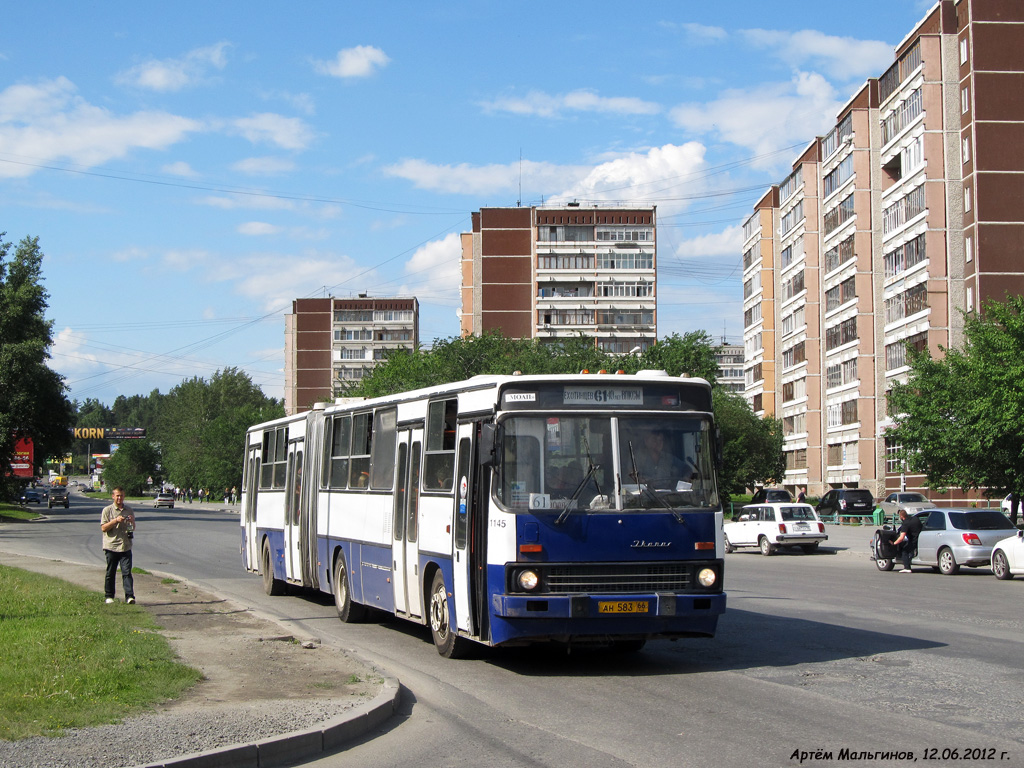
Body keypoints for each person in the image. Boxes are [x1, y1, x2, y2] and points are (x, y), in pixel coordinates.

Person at [100, 486, 137, 604]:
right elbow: (104, 528)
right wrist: (116, 520)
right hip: (111, 546)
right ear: (113, 496)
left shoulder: (129, 510)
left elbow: (133, 528)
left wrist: (130, 521)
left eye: (121, 495)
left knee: (127, 572)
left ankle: (129, 596)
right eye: (117, 496)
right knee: (111, 572)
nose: (119, 498)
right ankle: (109, 596)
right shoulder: (107, 510)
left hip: (125, 546)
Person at [892, 508, 924, 573]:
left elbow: (901, 538)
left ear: (901, 516)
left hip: (913, 540)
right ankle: (911, 557)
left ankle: (907, 567)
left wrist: (894, 543)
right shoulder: (915, 519)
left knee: (904, 551)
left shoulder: (906, 523)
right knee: (909, 548)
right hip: (921, 539)